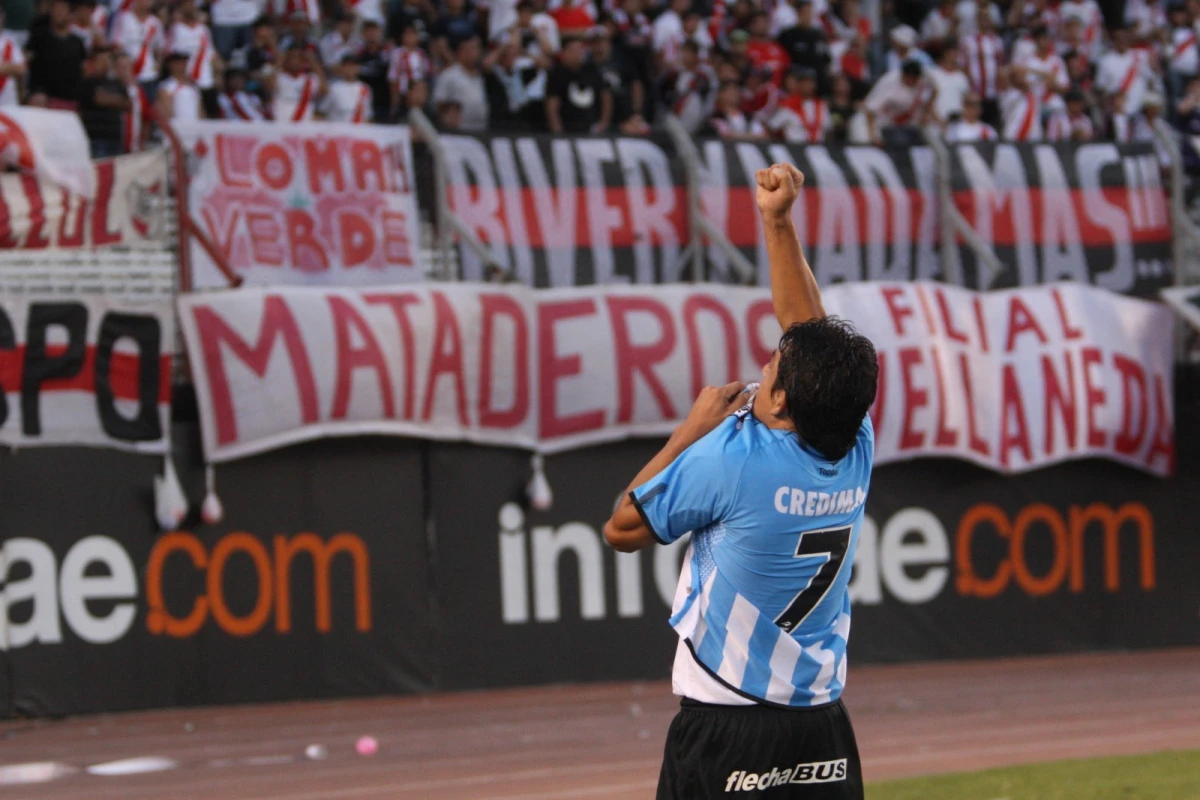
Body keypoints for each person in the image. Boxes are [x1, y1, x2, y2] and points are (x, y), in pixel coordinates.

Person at [604, 161, 877, 800]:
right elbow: (812, 336)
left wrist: (688, 431)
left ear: (780, 402)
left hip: (726, 720)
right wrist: (777, 221)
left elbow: (621, 527)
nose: (766, 360)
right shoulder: (855, 438)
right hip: (821, 723)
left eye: (772, 363)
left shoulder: (731, 458)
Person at [26, 0, 88, 108]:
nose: (58, 13)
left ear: (70, 15)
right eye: (55, 9)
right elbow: (27, 61)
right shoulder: (39, 38)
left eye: (62, 10)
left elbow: (83, 69)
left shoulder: (77, 42)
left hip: (69, 100)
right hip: (43, 99)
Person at [167, 0, 223, 119]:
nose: (190, 7)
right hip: (186, 79)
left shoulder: (203, 29)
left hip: (205, 80)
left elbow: (211, 52)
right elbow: (172, 54)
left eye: (192, 4)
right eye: (186, 4)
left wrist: (217, 73)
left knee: (210, 116)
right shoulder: (176, 29)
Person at [546, 33, 611, 133]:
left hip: (592, 127)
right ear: (564, 52)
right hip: (567, 128)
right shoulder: (556, 73)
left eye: (580, 49)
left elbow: (605, 97)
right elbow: (552, 103)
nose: (578, 53)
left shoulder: (591, 69)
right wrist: (557, 129)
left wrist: (603, 122)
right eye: (573, 50)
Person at [78, 46, 129, 157]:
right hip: (96, 137)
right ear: (94, 62)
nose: (105, 63)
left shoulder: (116, 83)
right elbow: (99, 99)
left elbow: (128, 103)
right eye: (102, 60)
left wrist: (108, 98)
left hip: (115, 136)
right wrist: (117, 99)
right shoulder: (88, 82)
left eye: (108, 60)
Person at [431, 35, 490, 131]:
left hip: (481, 129)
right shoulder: (449, 75)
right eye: (470, 49)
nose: (474, 53)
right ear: (461, 52)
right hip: (458, 131)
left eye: (476, 49)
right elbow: (438, 102)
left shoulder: (480, 76)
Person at [111, 0, 163, 96]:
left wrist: (158, 66)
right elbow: (116, 45)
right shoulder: (123, 18)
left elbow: (160, 47)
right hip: (127, 73)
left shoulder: (155, 22)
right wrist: (123, 69)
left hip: (149, 74)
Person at [271, 45, 326, 121]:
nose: (295, 61)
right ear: (286, 60)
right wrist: (279, 61)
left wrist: (313, 63)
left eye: (298, 58)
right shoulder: (280, 77)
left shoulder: (309, 78)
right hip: (282, 117)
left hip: (303, 120)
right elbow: (270, 86)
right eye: (292, 58)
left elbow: (324, 90)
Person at [321, 54, 372, 122]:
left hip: (357, 130)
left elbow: (368, 115)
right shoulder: (333, 88)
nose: (350, 68)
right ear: (342, 68)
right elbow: (322, 111)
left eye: (353, 65)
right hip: (337, 130)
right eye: (347, 65)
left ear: (358, 68)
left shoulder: (365, 88)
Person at [157, 50, 203, 122]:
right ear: (170, 65)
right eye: (178, 62)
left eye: (184, 62)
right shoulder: (166, 86)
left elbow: (200, 111)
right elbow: (167, 112)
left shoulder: (193, 86)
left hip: (195, 128)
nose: (182, 65)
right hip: (178, 128)